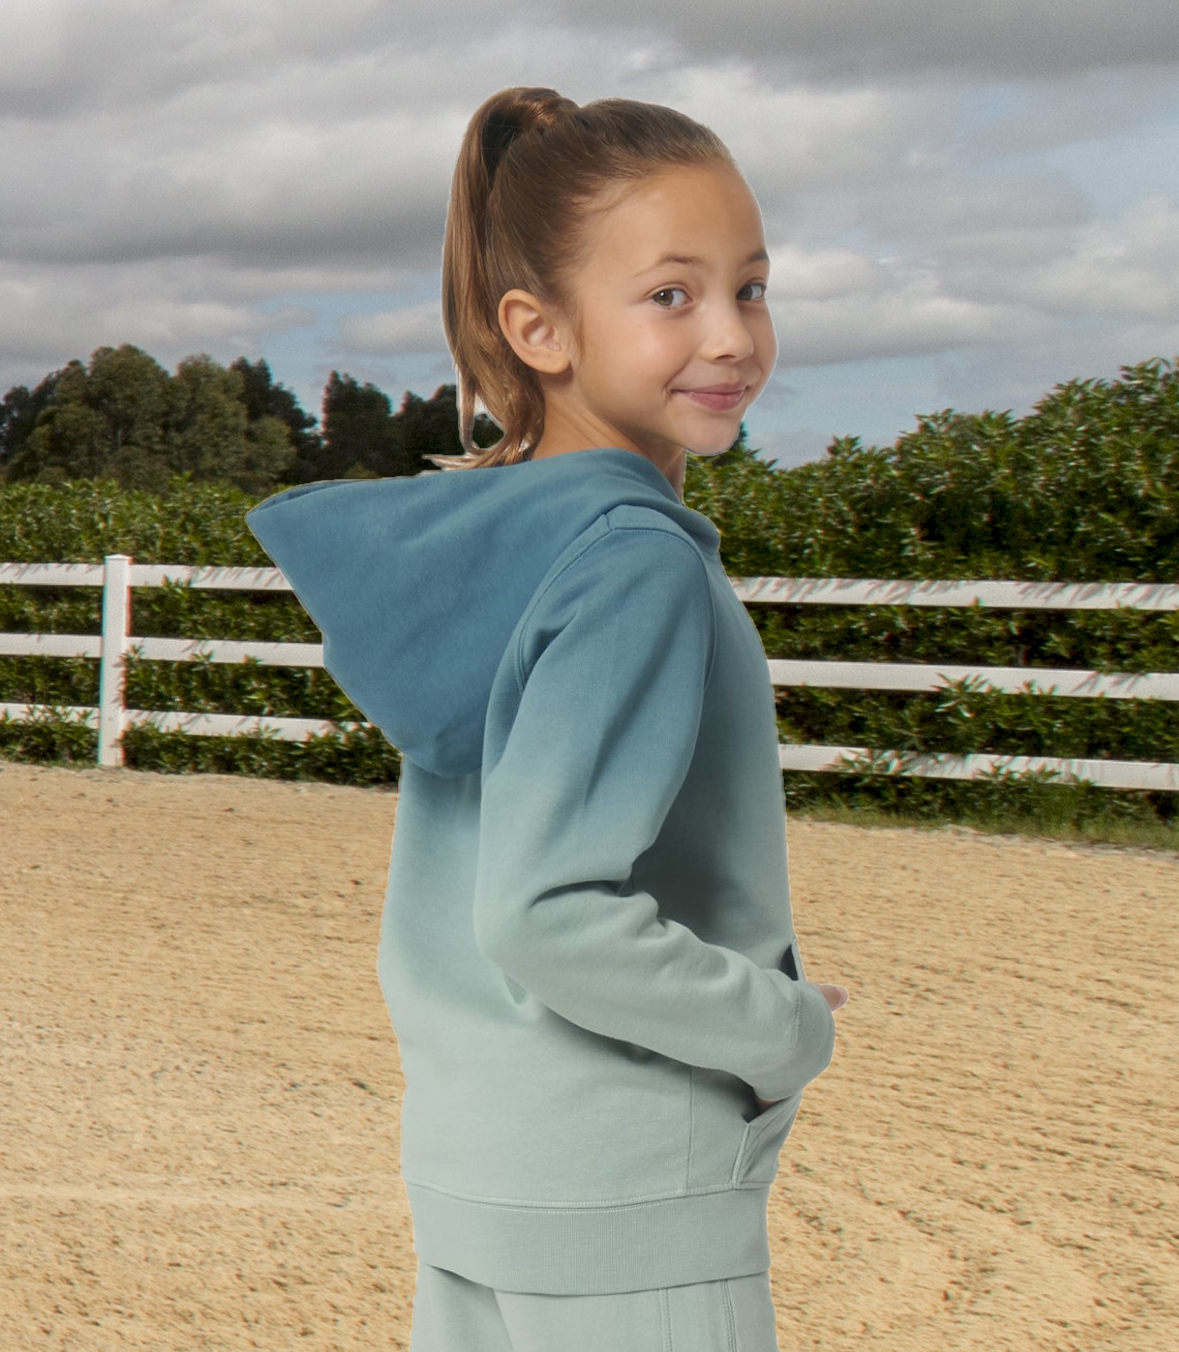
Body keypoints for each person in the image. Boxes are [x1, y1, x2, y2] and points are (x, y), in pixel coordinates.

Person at [246, 86, 849, 1352]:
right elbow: (545, 910)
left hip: (480, 1175)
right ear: (537, 328)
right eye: (670, 294)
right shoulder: (633, 560)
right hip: (630, 1203)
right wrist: (782, 1025)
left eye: (749, 287)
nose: (730, 334)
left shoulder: (491, 553)